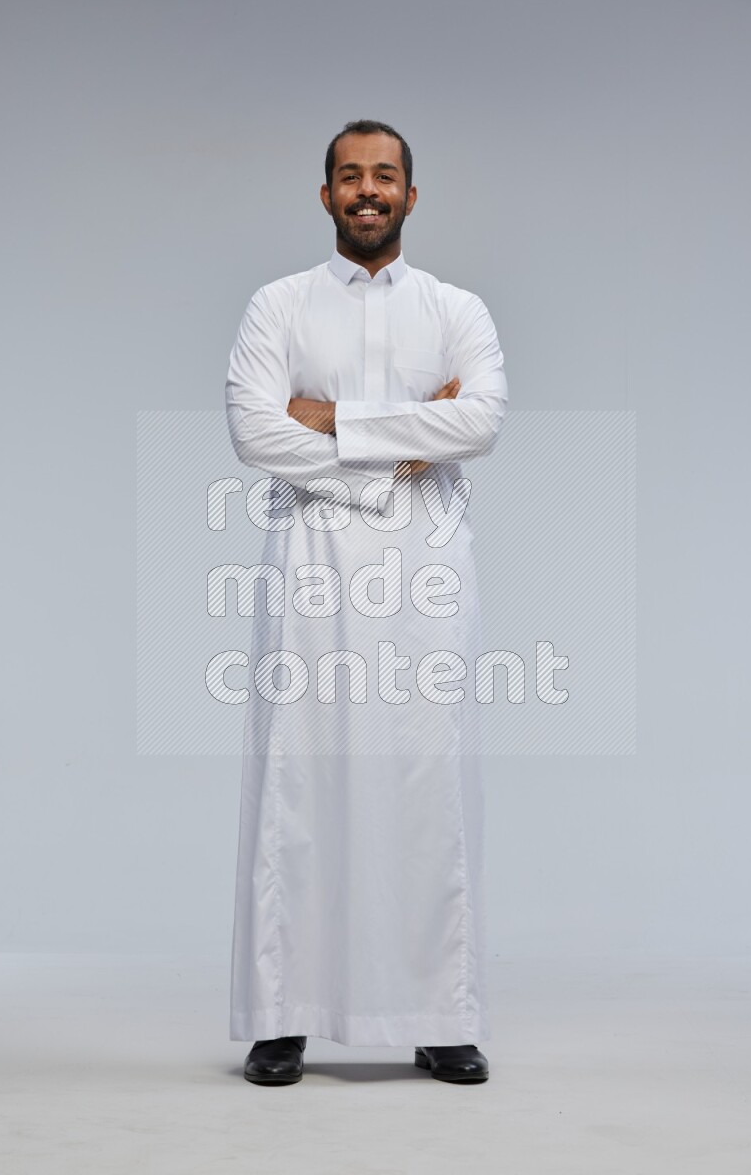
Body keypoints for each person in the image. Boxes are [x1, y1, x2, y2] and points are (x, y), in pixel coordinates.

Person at [224, 119, 508, 1085]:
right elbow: (256, 434)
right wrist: (395, 455)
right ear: (326, 196)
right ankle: (282, 1014)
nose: (368, 189)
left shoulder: (455, 307)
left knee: (426, 780)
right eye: (350, 176)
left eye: (385, 175)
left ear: (412, 196)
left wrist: (338, 421)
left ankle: (440, 1014)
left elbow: (482, 418)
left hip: (428, 571)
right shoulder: (279, 306)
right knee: (302, 778)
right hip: (312, 561)